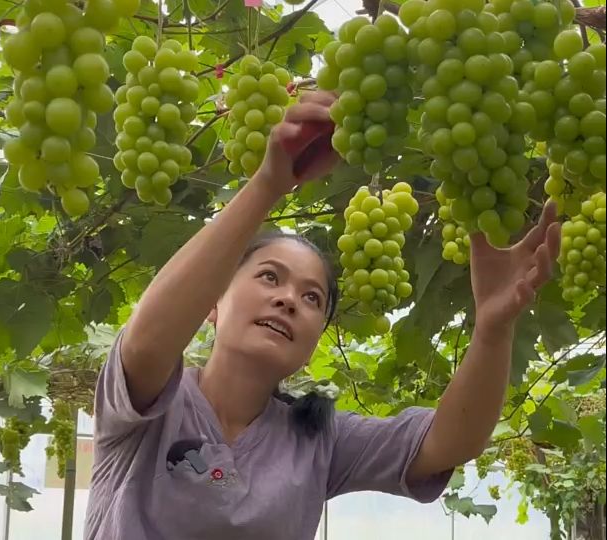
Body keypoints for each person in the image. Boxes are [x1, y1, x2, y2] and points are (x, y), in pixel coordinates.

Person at [84, 91, 561, 540]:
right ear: (212, 304)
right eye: (270, 277)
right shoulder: (147, 405)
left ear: (315, 339)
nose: (289, 299)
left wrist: (493, 328)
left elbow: (449, 441)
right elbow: (146, 340)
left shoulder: (319, 438)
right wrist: (269, 184)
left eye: (312, 298)